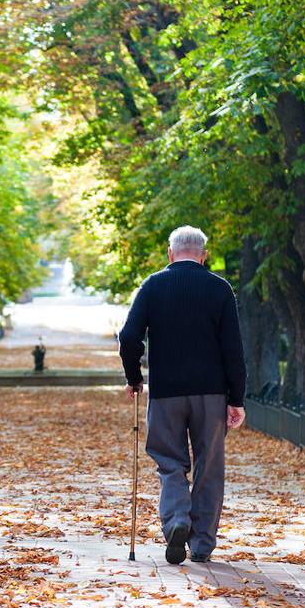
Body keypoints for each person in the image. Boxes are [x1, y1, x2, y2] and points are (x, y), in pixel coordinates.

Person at [118, 226, 247, 565]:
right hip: (211, 393)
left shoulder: (153, 285)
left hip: (166, 394)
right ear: (204, 256)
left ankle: (177, 518)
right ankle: (202, 543)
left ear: (170, 253)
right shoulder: (220, 289)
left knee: (169, 461)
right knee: (210, 465)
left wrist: (134, 377)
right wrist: (237, 398)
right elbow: (233, 349)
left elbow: (129, 337)